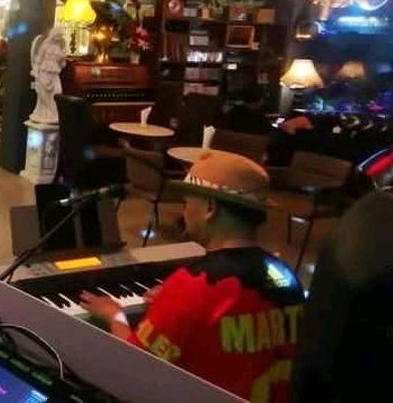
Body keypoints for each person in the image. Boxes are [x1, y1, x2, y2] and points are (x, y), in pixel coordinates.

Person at [81, 151, 305, 402]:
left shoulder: (193, 285)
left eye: (187, 201)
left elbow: (136, 363)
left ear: (210, 208)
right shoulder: (289, 278)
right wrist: (171, 307)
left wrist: (114, 315)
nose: (184, 209)